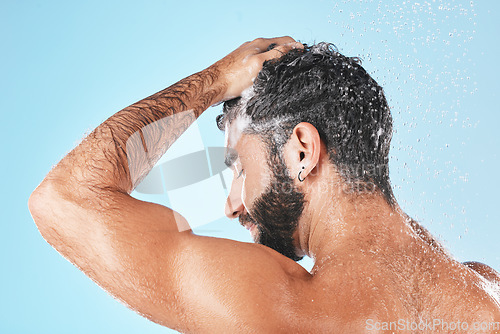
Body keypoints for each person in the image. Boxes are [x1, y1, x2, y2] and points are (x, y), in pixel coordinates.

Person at [29, 36, 500, 333]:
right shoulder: (485, 289)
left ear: (301, 151)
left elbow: (66, 199)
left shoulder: (284, 307)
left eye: (238, 166)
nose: (233, 204)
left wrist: (216, 79)